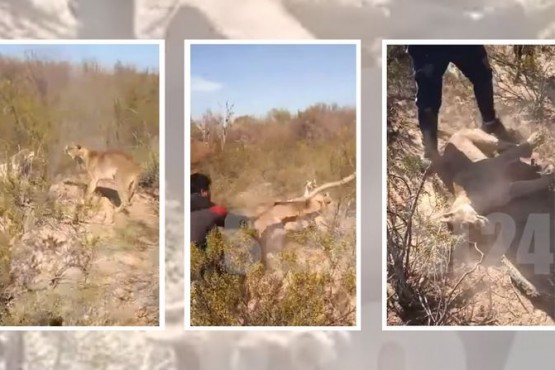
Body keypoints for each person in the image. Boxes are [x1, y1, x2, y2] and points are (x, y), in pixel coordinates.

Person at [406, 45, 516, 167]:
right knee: (427, 98)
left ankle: (490, 123)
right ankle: (430, 152)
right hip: (426, 45)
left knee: (482, 73)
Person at [190, 173, 228, 250]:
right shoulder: (211, 211)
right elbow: (236, 221)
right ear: (203, 191)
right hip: (199, 259)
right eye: (208, 189)